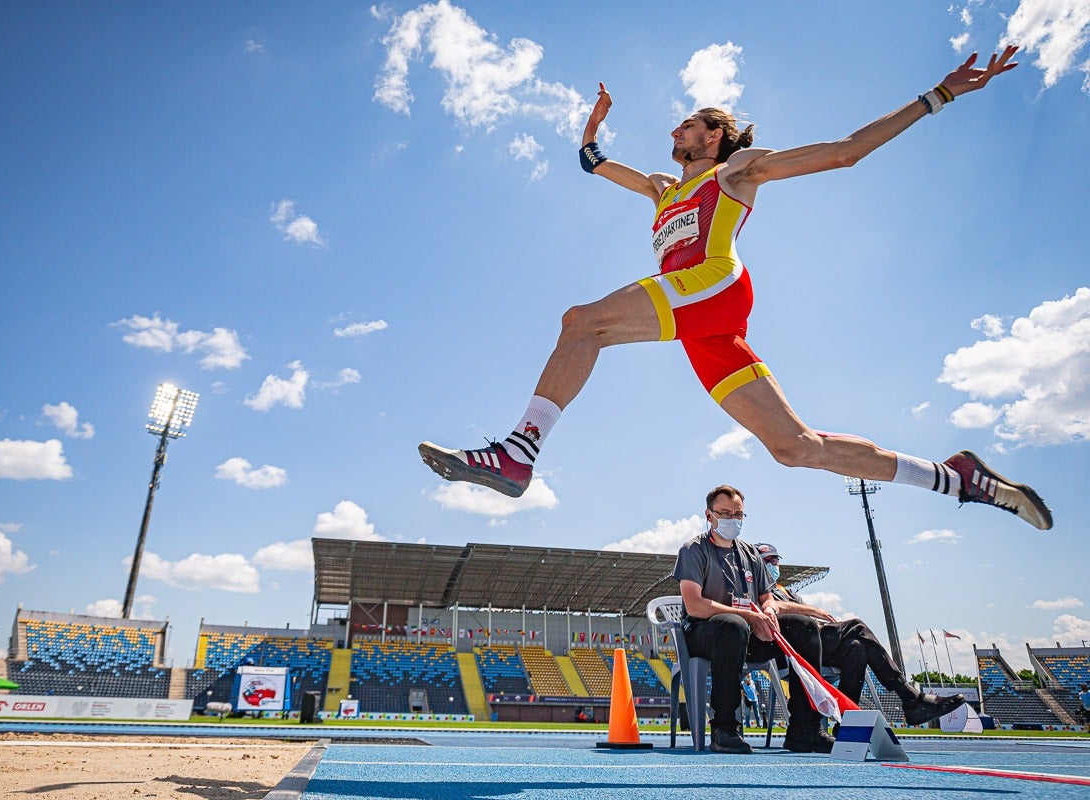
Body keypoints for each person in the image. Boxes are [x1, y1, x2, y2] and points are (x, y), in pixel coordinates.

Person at [418, 48, 1051, 532]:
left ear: (714, 134)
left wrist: (939, 94)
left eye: (690, 122)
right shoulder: (663, 187)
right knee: (796, 448)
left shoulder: (738, 171)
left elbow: (844, 152)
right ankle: (956, 478)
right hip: (702, 321)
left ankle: (517, 452)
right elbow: (594, 164)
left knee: (583, 322)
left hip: (714, 285)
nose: (679, 127)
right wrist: (591, 129)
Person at [673, 485, 832, 754]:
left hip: (746, 633)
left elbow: (765, 597)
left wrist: (768, 611)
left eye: (738, 514)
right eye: (724, 513)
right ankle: (725, 728)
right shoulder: (693, 550)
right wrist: (747, 615)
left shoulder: (750, 554)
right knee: (732, 625)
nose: (732, 520)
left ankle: (805, 729)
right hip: (704, 634)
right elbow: (695, 605)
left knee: (804, 627)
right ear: (708, 515)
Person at [755, 542, 966, 727]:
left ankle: (847, 722)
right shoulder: (756, 587)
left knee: (856, 648)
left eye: (775, 559)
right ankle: (910, 696)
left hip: (817, 644)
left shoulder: (786, 591)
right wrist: (813, 610)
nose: (772, 564)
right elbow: (773, 608)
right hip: (788, 651)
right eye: (767, 560)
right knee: (857, 626)